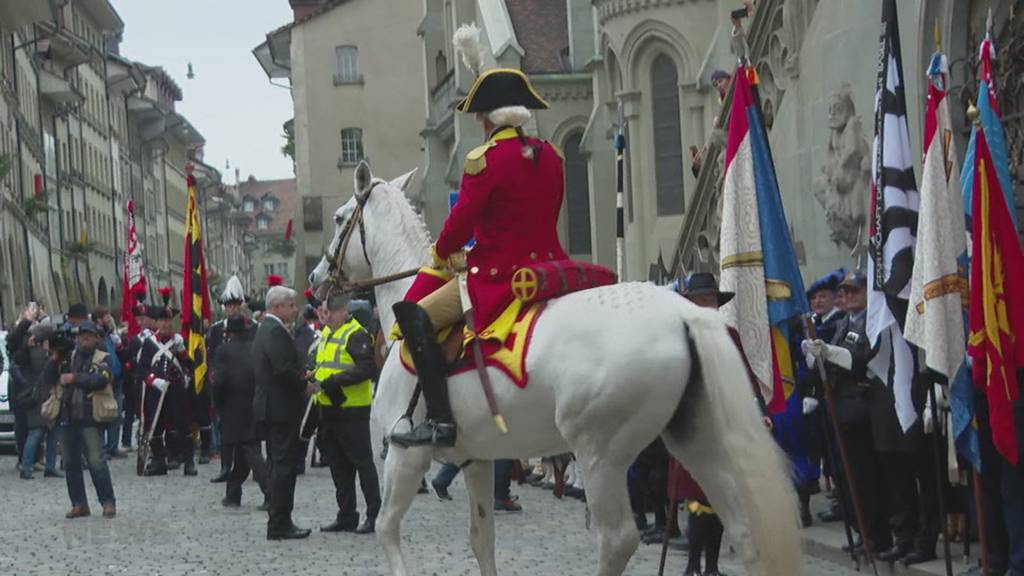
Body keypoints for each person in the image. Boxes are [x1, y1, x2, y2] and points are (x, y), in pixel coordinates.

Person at [390, 58, 568, 449]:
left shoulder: (483, 161)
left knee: (416, 316)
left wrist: (441, 252)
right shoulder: (552, 156)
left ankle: (440, 421)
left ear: (487, 121)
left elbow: (458, 228)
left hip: (498, 277)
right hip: (552, 267)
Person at [675, 272, 766, 576]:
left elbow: (746, 377)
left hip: (725, 430)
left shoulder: (730, 336)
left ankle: (711, 567)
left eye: (711, 299)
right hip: (693, 430)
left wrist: (757, 408)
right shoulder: (678, 340)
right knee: (697, 501)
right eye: (701, 300)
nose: (708, 305)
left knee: (718, 501)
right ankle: (691, 565)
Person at [803, 270, 890, 555]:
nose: (848, 296)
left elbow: (860, 358)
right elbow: (831, 364)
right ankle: (862, 532)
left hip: (861, 407)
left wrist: (828, 352)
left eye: (854, 291)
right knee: (849, 478)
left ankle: (877, 535)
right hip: (840, 409)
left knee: (868, 477)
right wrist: (816, 357)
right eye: (845, 292)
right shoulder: (844, 323)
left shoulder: (872, 321)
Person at [312, 293, 380, 534]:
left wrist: (331, 382)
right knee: (338, 466)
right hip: (329, 409)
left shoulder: (356, 334)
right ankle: (346, 514)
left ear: (342, 311)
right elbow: (326, 365)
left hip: (352, 410)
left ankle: (374, 515)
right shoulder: (328, 333)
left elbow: (367, 368)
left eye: (328, 312)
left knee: (362, 463)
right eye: (323, 312)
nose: (324, 316)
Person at [253, 281, 313, 540]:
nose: (295, 309)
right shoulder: (274, 330)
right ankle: (280, 522)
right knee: (283, 467)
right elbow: (282, 368)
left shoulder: (267, 328)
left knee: (280, 465)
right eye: (291, 305)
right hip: (280, 408)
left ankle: (279, 520)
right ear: (277, 307)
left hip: (274, 407)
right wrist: (304, 384)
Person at [57, 320, 117, 519]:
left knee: (96, 462)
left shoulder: (104, 358)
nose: (84, 338)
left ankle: (108, 502)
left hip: (90, 417)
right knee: (71, 464)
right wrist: (55, 357)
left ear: (96, 338)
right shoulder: (70, 356)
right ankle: (79, 503)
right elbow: (52, 378)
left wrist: (75, 378)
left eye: (88, 335)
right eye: (81, 335)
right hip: (68, 416)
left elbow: (101, 380)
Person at [212, 315, 270, 509]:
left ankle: (271, 493)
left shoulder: (223, 351)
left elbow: (218, 381)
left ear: (228, 333)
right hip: (254, 403)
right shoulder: (254, 348)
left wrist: (217, 404)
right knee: (244, 453)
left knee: (250, 451)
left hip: (232, 407)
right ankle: (232, 493)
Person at [138, 289, 196, 477]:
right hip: (156, 391)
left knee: (183, 424)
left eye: (168, 321)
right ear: (157, 323)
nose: (165, 324)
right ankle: (158, 462)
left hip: (176, 390)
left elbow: (188, 365)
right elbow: (142, 369)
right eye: (162, 321)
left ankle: (188, 462)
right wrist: (154, 381)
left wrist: (182, 352)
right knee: (155, 426)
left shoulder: (179, 341)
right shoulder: (149, 343)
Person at [207, 275, 249, 483]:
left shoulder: (250, 327)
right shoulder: (216, 329)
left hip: (243, 385)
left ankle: (247, 465)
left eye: (234, 305)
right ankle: (225, 466)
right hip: (224, 386)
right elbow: (212, 355)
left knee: (248, 431)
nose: (230, 308)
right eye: (227, 305)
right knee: (224, 430)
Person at [14, 320, 62, 479]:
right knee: (40, 433)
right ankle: (31, 466)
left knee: (44, 432)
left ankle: (32, 465)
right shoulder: (43, 355)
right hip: (45, 397)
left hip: (40, 397)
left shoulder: (32, 352)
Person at [93, 307, 125, 460]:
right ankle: (102, 449)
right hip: (105, 380)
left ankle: (113, 446)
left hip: (116, 379)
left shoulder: (108, 334)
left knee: (116, 415)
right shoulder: (96, 335)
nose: (109, 319)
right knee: (103, 414)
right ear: (99, 319)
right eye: (106, 317)